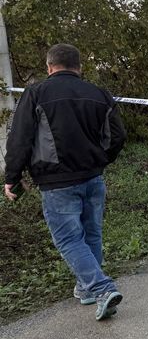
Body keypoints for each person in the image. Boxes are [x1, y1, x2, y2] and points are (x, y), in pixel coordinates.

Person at [4, 43, 127, 320]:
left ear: (49, 67)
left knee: (69, 239)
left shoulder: (36, 93)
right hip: (93, 178)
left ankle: (101, 288)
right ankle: (86, 290)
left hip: (56, 182)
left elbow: (20, 138)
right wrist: (100, 160)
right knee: (91, 234)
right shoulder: (98, 94)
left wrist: (12, 177)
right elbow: (117, 136)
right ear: (79, 67)